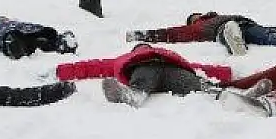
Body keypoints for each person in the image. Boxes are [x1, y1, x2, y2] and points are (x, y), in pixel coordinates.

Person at [54, 43, 234, 108]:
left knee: (192, 81)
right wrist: (62, 70)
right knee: (145, 76)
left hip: (171, 69)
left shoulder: (160, 54)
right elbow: (94, 66)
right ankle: (134, 94)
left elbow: (198, 67)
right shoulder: (132, 58)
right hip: (145, 69)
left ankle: (223, 95)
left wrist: (226, 73)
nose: (143, 48)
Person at [126, 12, 276, 56]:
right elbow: (170, 34)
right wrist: (140, 35)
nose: (198, 16)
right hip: (220, 30)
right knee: (228, 30)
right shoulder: (197, 27)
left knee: (266, 35)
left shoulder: (220, 15)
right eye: (194, 17)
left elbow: (265, 28)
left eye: (197, 14)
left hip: (244, 24)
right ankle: (234, 42)